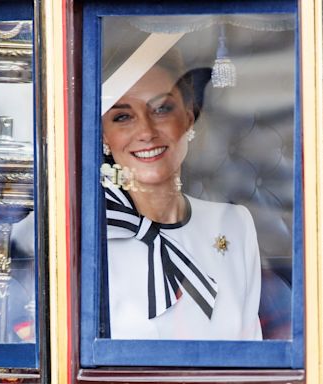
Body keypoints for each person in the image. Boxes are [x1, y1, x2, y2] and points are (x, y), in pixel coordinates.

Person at [101, 50, 262, 340]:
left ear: (188, 118)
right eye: (123, 116)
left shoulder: (234, 224)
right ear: (104, 136)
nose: (146, 131)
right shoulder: (87, 235)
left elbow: (252, 349)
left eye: (161, 109)